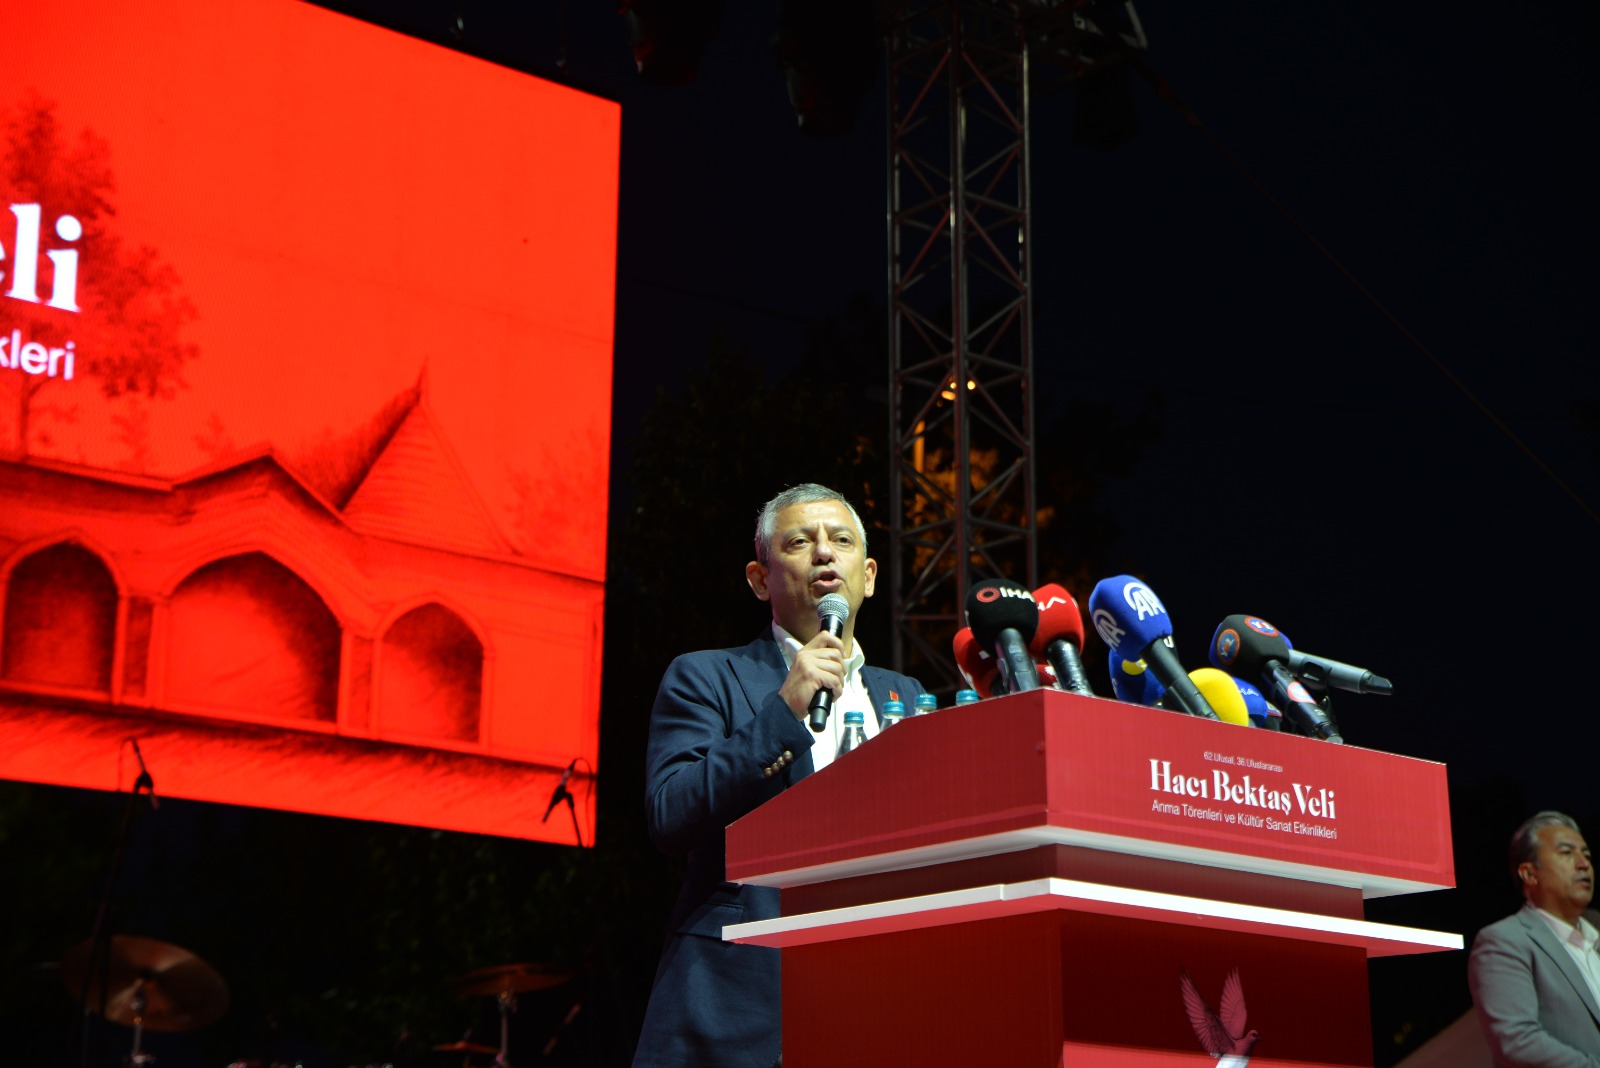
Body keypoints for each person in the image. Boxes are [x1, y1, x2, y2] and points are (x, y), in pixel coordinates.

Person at [631, 484, 922, 1068]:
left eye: (841, 541)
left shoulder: (907, 696)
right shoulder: (707, 677)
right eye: (799, 542)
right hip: (741, 1007)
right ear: (760, 580)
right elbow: (671, 813)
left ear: (868, 576)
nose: (824, 553)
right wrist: (783, 711)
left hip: (878, 997)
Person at [1469, 810, 1600, 1066]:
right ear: (1529, 874)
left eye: (1586, 855)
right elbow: (1517, 1042)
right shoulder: (1504, 941)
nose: (1583, 864)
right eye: (1566, 852)